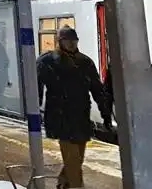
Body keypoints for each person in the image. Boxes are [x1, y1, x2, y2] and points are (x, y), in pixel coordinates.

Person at [37, 26, 110, 189]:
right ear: (60, 41)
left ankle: (64, 184)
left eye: (73, 40)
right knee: (73, 159)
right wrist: (35, 108)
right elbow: (37, 86)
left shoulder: (85, 62)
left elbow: (97, 89)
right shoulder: (47, 61)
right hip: (60, 115)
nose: (71, 43)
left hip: (81, 114)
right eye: (67, 40)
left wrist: (106, 114)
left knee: (77, 158)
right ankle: (77, 186)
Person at [102, 61, 152, 130]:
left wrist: (106, 117)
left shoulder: (115, 68)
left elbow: (108, 94)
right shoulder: (147, 67)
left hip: (127, 117)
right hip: (148, 116)